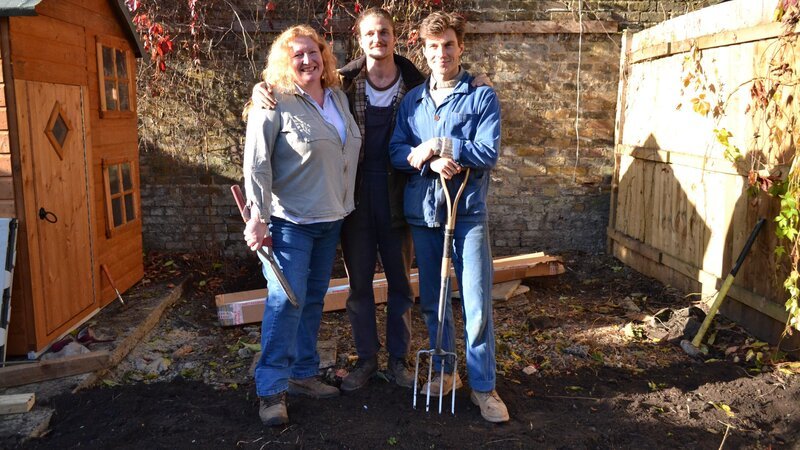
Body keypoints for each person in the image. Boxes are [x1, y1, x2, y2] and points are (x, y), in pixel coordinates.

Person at [251, 8, 492, 392]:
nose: (377, 39)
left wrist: (479, 79)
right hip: (356, 198)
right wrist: (259, 86)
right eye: (369, 34)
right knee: (359, 285)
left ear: (395, 38)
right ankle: (366, 360)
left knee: (401, 286)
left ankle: (398, 361)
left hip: (402, 195)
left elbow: (455, 77)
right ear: (359, 42)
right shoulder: (341, 85)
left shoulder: (417, 84)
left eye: (384, 33)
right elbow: (291, 85)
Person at [389, 12, 508, 423]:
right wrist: (422, 159)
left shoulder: (481, 96)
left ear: (461, 47)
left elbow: (488, 151)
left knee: (476, 302)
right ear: (423, 50)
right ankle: (445, 371)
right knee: (434, 303)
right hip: (424, 214)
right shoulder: (412, 101)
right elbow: (396, 151)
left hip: (468, 212)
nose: (441, 53)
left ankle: (483, 386)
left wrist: (443, 145)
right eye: (433, 46)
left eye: (449, 45)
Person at [242, 24, 362, 426]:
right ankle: (271, 390)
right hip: (290, 222)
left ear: (325, 57)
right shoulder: (272, 100)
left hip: (330, 219)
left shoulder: (338, 98)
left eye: (313, 52)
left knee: (312, 300)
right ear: (284, 62)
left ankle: (303, 374)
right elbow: (256, 163)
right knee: (284, 302)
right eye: (297, 55)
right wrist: (257, 216)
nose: (307, 60)